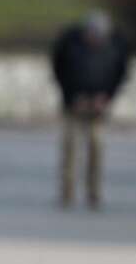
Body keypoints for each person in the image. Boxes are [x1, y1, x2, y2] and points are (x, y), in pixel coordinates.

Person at [49, 11, 129, 210]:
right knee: (70, 148)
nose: (94, 39)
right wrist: (71, 96)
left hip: (98, 107)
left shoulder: (115, 47)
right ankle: (66, 193)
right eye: (91, 35)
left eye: (99, 36)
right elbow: (58, 70)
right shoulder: (70, 44)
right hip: (73, 104)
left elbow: (120, 75)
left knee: (96, 148)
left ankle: (94, 193)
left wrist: (107, 97)